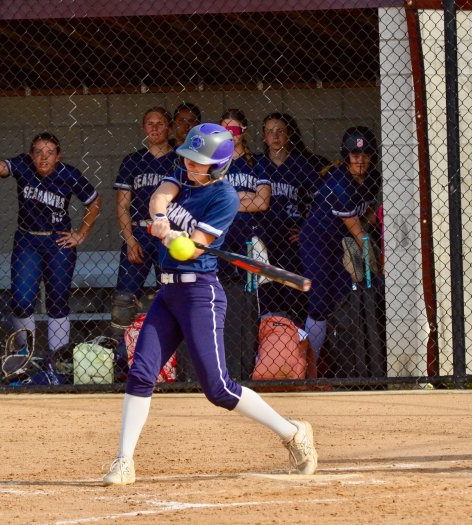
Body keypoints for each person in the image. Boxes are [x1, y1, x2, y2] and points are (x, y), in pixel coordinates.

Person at [102, 123, 317, 486]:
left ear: (217, 167)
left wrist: (171, 236)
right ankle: (124, 460)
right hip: (168, 293)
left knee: (217, 389)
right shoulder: (181, 175)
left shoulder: (225, 198)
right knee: (141, 372)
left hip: (200, 294)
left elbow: (192, 245)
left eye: (197, 162)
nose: (188, 165)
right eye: (187, 158)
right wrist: (159, 219)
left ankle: (292, 432)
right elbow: (160, 197)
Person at [0, 132, 101, 381]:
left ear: (58, 155)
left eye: (49, 152)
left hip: (58, 241)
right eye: (38, 152)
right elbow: (1, 168)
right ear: (31, 154)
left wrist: (81, 234)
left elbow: (95, 202)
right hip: (28, 239)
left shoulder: (68, 174)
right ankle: (25, 356)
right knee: (21, 300)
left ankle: (57, 361)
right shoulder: (23, 164)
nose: (43, 157)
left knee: (57, 300)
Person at [300, 127, 381, 359]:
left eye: (366, 155)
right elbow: (355, 227)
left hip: (341, 241)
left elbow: (366, 212)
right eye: (356, 156)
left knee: (342, 296)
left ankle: (336, 359)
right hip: (319, 241)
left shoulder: (373, 177)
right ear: (347, 157)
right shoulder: (339, 182)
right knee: (320, 299)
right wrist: (374, 252)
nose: (361, 161)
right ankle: (310, 364)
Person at [111, 107, 178, 336]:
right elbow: (122, 205)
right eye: (150, 123)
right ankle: (122, 354)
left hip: (168, 232)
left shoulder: (179, 160)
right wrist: (130, 240)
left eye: (160, 123)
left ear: (169, 127)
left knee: (171, 295)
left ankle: (174, 355)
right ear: (143, 128)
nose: (155, 128)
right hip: (139, 231)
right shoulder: (133, 161)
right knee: (124, 300)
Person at [254, 113, 319, 323]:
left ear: (288, 135)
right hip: (265, 232)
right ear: (264, 137)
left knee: (293, 290)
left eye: (280, 131)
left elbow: (319, 205)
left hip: (291, 233)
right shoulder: (257, 165)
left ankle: (295, 329)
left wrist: (306, 230)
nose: (275, 136)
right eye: (270, 132)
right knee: (268, 287)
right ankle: (271, 331)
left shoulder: (302, 166)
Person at [218, 109, 270, 282]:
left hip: (249, 229)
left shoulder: (259, 162)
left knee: (250, 282)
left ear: (244, 131)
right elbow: (210, 202)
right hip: (220, 230)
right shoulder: (214, 164)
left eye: (235, 130)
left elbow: (262, 203)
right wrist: (246, 195)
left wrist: (227, 201)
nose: (230, 135)